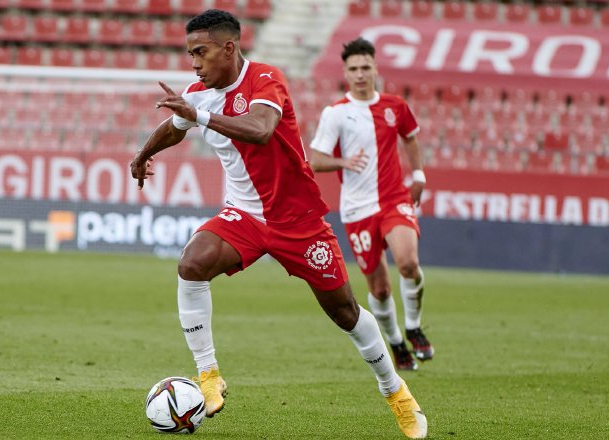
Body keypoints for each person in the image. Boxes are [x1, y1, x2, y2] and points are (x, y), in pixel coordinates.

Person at [130, 10, 427, 439]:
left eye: (201, 52)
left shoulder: (266, 78)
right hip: (245, 217)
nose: (193, 63)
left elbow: (261, 129)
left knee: (344, 312)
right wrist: (144, 154)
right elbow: (174, 127)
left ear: (228, 48)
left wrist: (200, 117)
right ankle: (208, 374)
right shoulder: (200, 94)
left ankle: (396, 392)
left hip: (298, 221)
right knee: (192, 264)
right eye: (190, 54)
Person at [309, 38, 434, 372]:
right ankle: (396, 343)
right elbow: (316, 160)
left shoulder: (395, 106)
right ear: (346, 73)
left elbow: (410, 138)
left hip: (394, 199)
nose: (360, 74)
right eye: (354, 69)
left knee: (408, 263)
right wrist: (344, 162)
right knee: (378, 288)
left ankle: (414, 327)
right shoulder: (336, 113)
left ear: (376, 69)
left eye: (366, 67)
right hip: (357, 209)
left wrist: (418, 175)